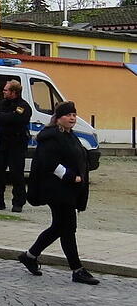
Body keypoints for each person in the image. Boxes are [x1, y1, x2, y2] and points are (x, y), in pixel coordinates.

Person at [19, 101, 99, 285]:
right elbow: (50, 163)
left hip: (68, 190)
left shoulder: (71, 136)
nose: (72, 118)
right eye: (68, 115)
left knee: (59, 227)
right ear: (58, 118)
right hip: (56, 190)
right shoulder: (51, 136)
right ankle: (77, 270)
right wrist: (72, 177)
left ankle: (30, 256)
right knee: (68, 228)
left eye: (74, 114)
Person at [0, 80, 32, 213]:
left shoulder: (23, 106)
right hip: (2, 143)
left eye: (6, 90)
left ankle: (18, 202)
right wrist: (4, 117)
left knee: (16, 174)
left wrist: (2, 117)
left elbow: (17, 119)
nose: (3, 92)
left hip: (17, 143)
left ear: (14, 92)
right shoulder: (1, 103)